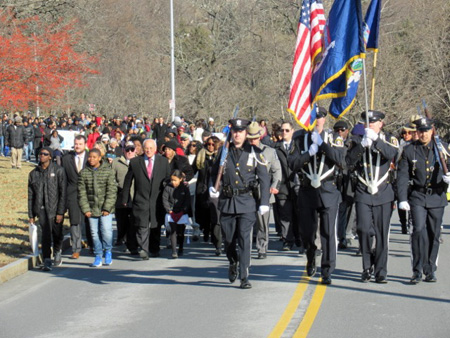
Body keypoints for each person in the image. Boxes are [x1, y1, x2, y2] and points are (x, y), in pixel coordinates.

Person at [210, 118, 270, 289]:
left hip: (246, 202)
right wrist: (211, 188)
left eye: (241, 131)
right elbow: (213, 174)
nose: (237, 134)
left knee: (244, 239)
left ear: (245, 133)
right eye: (235, 131)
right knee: (229, 240)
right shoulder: (224, 152)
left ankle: (244, 276)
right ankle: (232, 261)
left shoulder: (255, 152)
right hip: (228, 202)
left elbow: (264, 179)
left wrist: (264, 201)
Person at [288, 108, 345, 285]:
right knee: (308, 232)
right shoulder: (299, 138)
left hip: (328, 189)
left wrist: (322, 145)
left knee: (328, 233)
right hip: (307, 191)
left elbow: (341, 160)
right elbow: (292, 164)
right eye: (313, 118)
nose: (316, 121)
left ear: (324, 119)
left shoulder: (334, 138)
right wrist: (309, 153)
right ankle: (311, 256)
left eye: (319, 118)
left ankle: (327, 270)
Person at [346, 110, 398, 283]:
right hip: (363, 190)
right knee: (363, 229)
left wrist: (376, 141)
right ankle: (367, 266)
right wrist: (362, 145)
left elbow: (393, 155)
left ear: (381, 124)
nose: (370, 125)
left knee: (382, 233)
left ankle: (381, 271)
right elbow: (348, 161)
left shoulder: (389, 139)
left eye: (373, 122)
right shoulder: (356, 141)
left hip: (383, 192)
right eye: (367, 123)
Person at [397, 117, 450, 283]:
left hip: (437, 195)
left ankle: (430, 269)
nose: (423, 134)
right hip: (418, 196)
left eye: (426, 131)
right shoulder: (409, 150)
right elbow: (403, 175)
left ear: (432, 130)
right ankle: (417, 270)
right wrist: (402, 198)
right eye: (420, 131)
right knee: (418, 231)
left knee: (434, 234)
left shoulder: (442, 148)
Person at [122, 139, 171, 259]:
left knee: (155, 225)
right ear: (143, 149)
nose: (148, 151)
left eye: (151, 148)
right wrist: (125, 197)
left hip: (157, 199)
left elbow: (168, 180)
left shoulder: (163, 162)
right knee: (141, 225)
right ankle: (143, 248)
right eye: (146, 148)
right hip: (141, 198)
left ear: (155, 149)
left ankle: (154, 248)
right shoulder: (135, 162)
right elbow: (128, 181)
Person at [28, 147, 67, 271]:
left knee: (57, 232)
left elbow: (63, 193)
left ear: (50, 156)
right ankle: (46, 259)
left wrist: (61, 212)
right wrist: (31, 215)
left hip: (55, 208)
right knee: (45, 234)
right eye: (40, 154)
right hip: (41, 209)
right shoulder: (33, 173)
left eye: (45, 154)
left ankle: (57, 251)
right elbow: (30, 196)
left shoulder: (59, 171)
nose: (42, 156)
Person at [246, 121, 281, 259]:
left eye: (255, 138)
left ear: (259, 137)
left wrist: (274, 185)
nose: (252, 141)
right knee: (247, 221)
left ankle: (262, 247)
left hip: (263, 190)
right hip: (247, 191)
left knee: (262, 222)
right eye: (250, 138)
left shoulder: (269, 151)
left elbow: (277, 171)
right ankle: (246, 246)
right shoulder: (242, 151)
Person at [78, 148, 118, 267]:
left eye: (94, 157)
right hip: (91, 209)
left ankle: (108, 251)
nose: (91, 159)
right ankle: (98, 254)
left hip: (106, 209)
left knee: (106, 231)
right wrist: (86, 209)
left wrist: (107, 208)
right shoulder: (84, 173)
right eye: (90, 157)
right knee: (94, 233)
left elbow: (112, 190)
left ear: (100, 158)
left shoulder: (108, 171)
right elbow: (82, 192)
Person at [62, 135, 93, 259]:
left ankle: (92, 246)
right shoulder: (66, 159)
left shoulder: (91, 157)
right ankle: (76, 249)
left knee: (90, 221)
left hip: (89, 195)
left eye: (80, 144)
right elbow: (63, 179)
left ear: (85, 144)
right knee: (74, 222)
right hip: (72, 194)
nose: (77, 146)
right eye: (76, 144)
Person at [273, 121, 301, 251]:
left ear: (292, 131)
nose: (284, 133)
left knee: (299, 213)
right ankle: (287, 240)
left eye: (287, 130)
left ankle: (299, 237)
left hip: (297, 184)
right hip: (283, 185)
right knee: (285, 214)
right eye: (282, 130)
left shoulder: (298, 146)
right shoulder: (276, 148)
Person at [111, 141, 138, 254]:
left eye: (132, 149)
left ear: (135, 150)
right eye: (127, 149)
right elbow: (111, 178)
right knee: (122, 222)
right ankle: (122, 238)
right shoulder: (117, 162)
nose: (129, 152)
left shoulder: (139, 161)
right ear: (123, 150)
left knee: (133, 222)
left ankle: (131, 244)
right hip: (121, 196)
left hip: (135, 196)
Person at [163, 169, 191, 258]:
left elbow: (187, 201)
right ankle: (174, 251)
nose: (173, 182)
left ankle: (181, 248)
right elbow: (165, 200)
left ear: (180, 179)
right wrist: (169, 210)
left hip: (182, 213)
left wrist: (183, 210)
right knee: (173, 231)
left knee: (181, 232)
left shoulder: (185, 189)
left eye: (175, 180)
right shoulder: (167, 188)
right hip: (171, 212)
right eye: (172, 180)